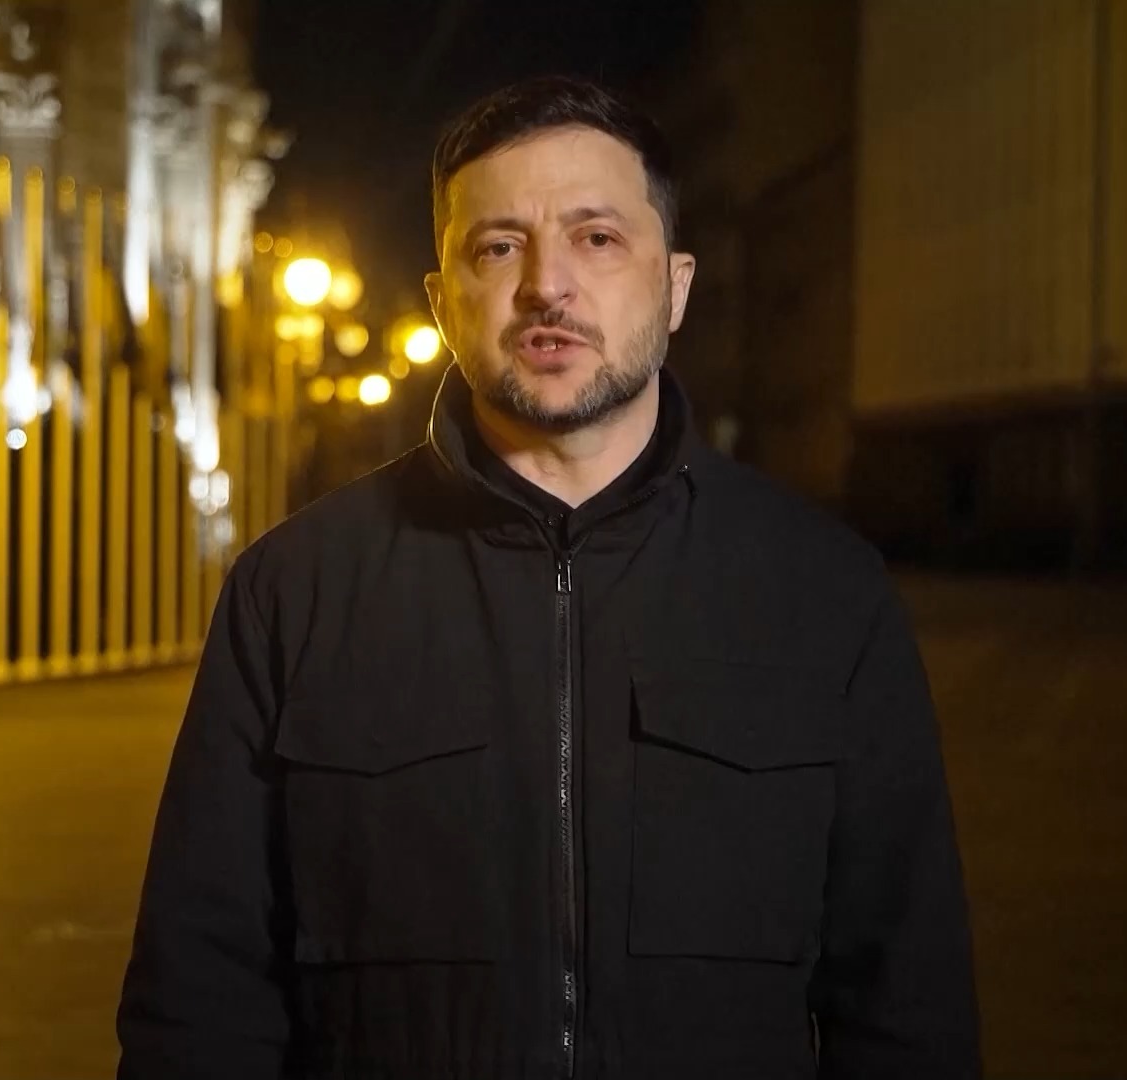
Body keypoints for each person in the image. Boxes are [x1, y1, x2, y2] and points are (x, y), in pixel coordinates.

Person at [118, 76, 980, 1079]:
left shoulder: (822, 592)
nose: (546, 286)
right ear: (443, 301)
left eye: (596, 237)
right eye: (498, 247)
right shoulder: (294, 593)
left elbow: (906, 1001)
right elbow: (201, 998)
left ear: (677, 285)